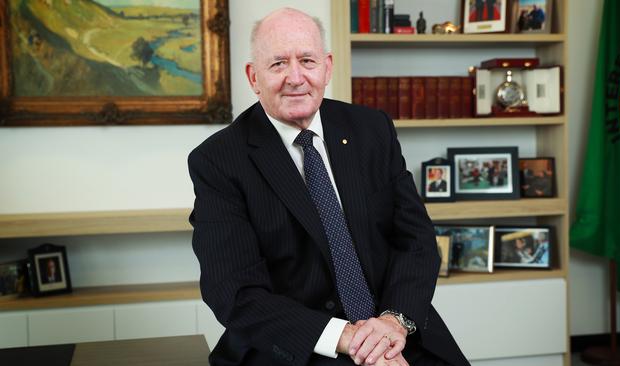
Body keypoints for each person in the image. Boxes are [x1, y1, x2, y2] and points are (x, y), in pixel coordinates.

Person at [189, 8, 468, 366]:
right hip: (299, 345)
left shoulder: (372, 129)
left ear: (327, 67)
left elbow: (416, 241)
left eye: (307, 60)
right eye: (277, 64)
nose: (295, 77)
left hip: (394, 330)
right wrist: (349, 339)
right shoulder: (218, 160)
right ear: (253, 76)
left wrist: (393, 323)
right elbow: (235, 292)